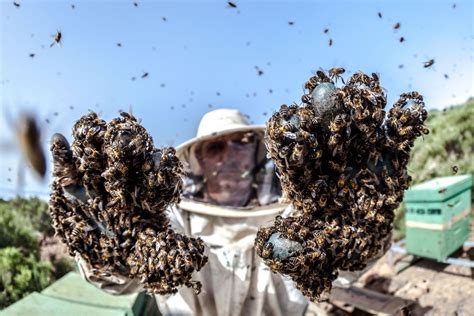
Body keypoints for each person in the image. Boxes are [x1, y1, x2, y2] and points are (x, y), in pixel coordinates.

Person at [76, 109, 310, 315]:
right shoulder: (173, 219)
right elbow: (126, 282)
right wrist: (116, 256)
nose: (229, 157)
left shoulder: (292, 215)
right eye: (216, 147)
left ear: (255, 150)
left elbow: (338, 277)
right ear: (199, 158)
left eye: (241, 143)